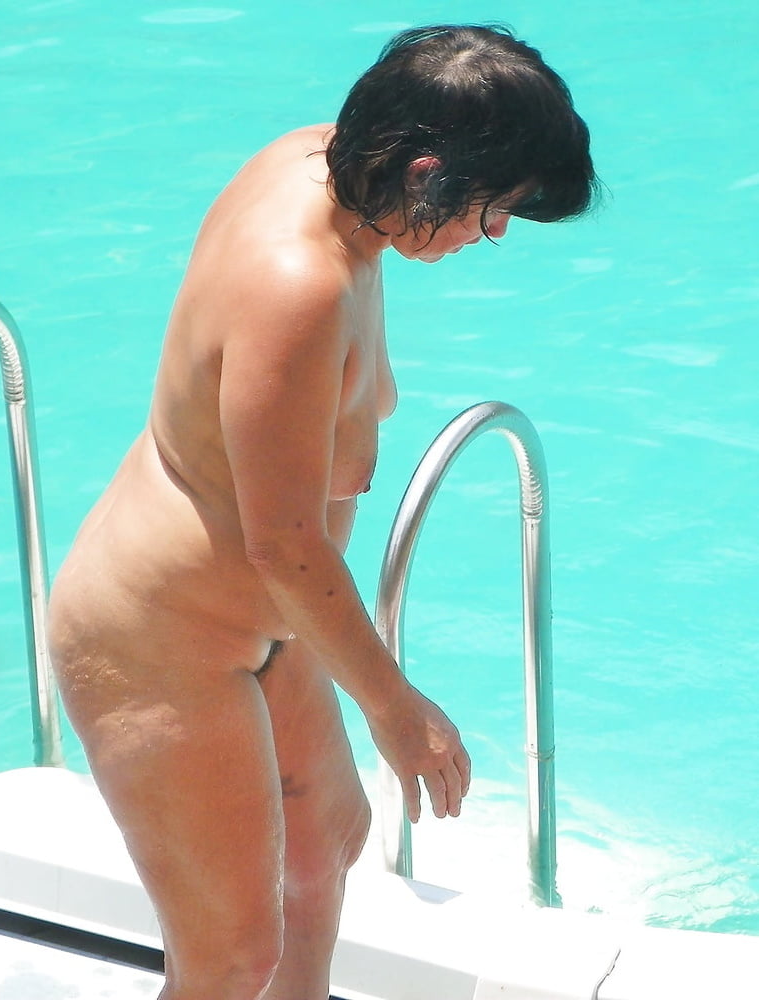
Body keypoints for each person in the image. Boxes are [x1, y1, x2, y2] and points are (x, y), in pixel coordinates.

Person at [48, 23, 597, 1000]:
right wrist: (397, 708)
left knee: (328, 850)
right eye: (490, 209)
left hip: (266, 624)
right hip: (164, 640)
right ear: (425, 174)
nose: (493, 235)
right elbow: (284, 544)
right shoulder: (296, 284)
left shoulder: (328, 162)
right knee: (228, 962)